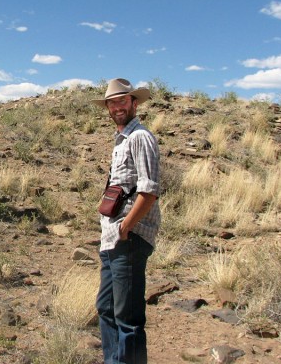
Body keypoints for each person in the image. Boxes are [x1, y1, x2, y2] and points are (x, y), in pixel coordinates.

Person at [92, 78, 161, 364]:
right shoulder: (121, 139)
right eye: (112, 102)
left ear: (134, 103)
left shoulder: (140, 137)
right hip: (113, 240)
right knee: (106, 309)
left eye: (123, 101)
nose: (117, 107)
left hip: (128, 239)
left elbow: (150, 190)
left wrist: (127, 226)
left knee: (128, 317)